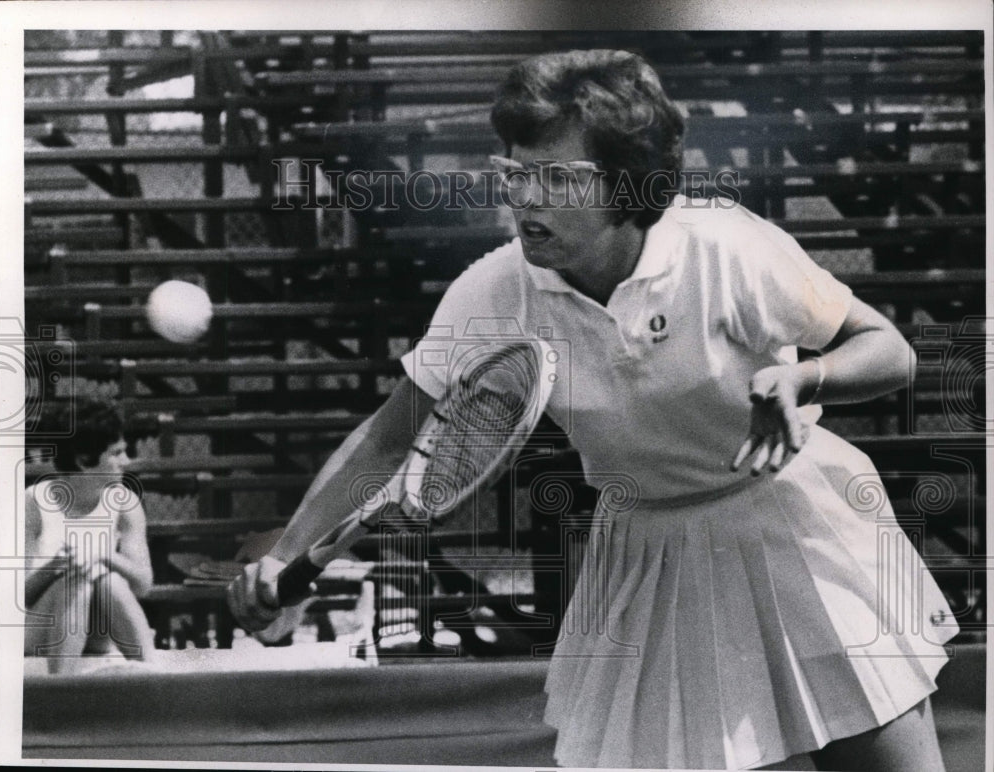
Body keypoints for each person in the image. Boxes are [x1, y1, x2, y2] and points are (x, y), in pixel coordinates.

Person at [228, 49, 958, 770]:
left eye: (557, 178)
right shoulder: (493, 291)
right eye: (514, 173)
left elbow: (889, 349)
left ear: (629, 185)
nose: (525, 198)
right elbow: (389, 442)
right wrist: (288, 556)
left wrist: (812, 380)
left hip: (796, 528)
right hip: (646, 555)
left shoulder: (729, 248)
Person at [25, 399, 155, 673]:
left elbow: (143, 584)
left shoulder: (125, 503)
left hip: (98, 627)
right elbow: (17, 595)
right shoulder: (35, 502)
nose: (126, 461)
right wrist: (56, 566)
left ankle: (154, 677)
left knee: (108, 580)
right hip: (40, 628)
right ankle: (61, 694)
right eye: (116, 453)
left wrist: (102, 555)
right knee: (78, 580)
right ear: (84, 461)